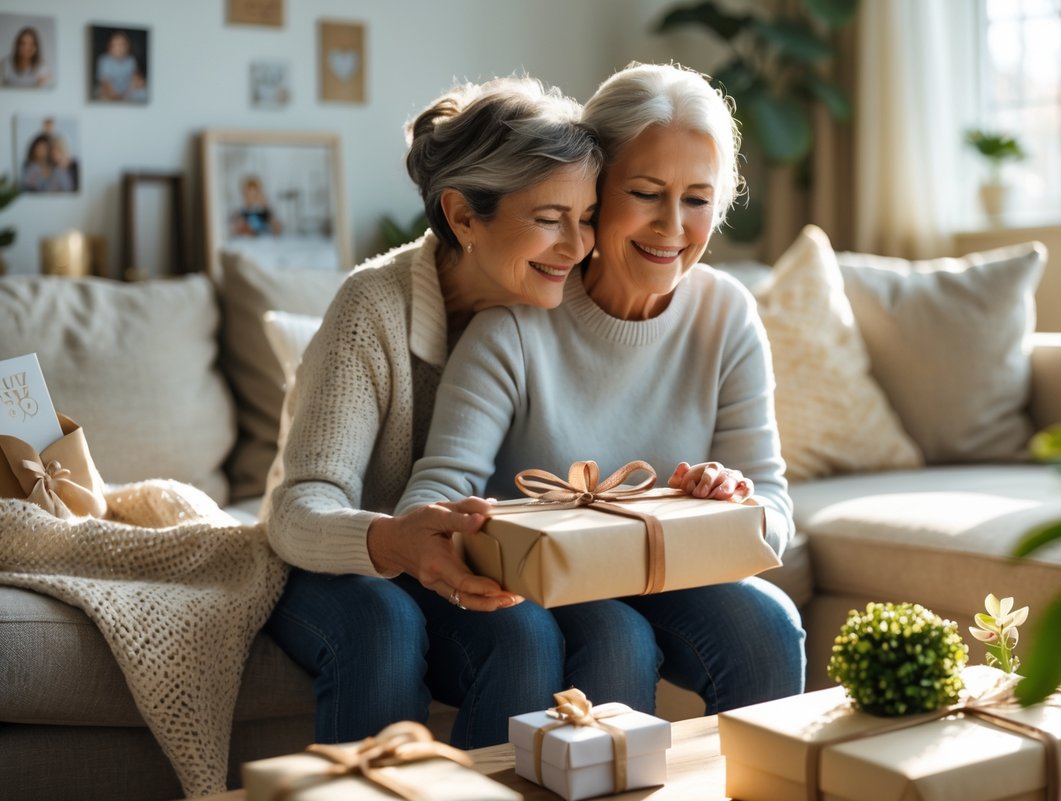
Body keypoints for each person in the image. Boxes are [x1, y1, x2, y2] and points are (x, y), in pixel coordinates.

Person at [263, 77, 661, 750]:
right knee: (384, 620)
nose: (578, 245)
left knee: (571, 631)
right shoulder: (372, 309)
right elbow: (299, 506)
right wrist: (393, 541)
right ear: (463, 216)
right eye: (548, 218)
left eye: (586, 215)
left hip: (470, 562)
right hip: (338, 565)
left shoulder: (563, 304)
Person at [400, 63, 806, 720]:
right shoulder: (513, 327)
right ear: (592, 191)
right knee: (617, 640)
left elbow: (775, 514)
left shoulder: (726, 313)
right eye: (646, 192)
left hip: (668, 571)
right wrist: (474, 535)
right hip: (544, 582)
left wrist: (730, 501)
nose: (672, 226)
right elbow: (434, 496)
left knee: (766, 626)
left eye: (698, 199)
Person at [94, 29, 146, 102]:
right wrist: (115, 95)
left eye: (123, 44)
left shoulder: (131, 60)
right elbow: (105, 82)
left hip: (126, 90)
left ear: (128, 46)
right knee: (102, 94)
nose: (120, 48)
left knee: (143, 91)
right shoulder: (104, 60)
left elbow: (135, 76)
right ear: (110, 47)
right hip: (110, 89)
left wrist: (138, 81)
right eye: (116, 45)